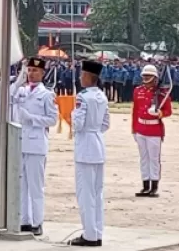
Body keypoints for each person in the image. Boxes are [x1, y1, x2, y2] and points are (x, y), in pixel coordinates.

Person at [68, 60, 109, 247]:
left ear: (87, 76)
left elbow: (77, 124)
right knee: (97, 193)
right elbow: (105, 124)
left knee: (85, 193)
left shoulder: (83, 97)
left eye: (81, 74)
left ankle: (90, 235)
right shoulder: (102, 96)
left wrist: (71, 114)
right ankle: (97, 232)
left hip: (85, 146)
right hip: (98, 143)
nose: (79, 77)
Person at [15, 57, 58, 237]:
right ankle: (24, 220)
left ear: (42, 73)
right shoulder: (21, 91)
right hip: (20, 142)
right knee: (21, 185)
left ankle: (37, 221)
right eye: (30, 70)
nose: (32, 74)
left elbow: (52, 119)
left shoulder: (47, 94)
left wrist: (32, 118)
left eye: (35, 71)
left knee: (35, 186)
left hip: (36, 143)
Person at [132, 64, 173, 198]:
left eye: (148, 76)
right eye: (144, 75)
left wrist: (160, 113)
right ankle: (145, 185)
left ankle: (154, 186)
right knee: (143, 158)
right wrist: (134, 128)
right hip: (140, 128)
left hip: (154, 129)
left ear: (154, 78)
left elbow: (168, 111)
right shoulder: (138, 91)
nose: (145, 78)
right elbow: (135, 111)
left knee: (154, 159)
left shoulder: (161, 93)